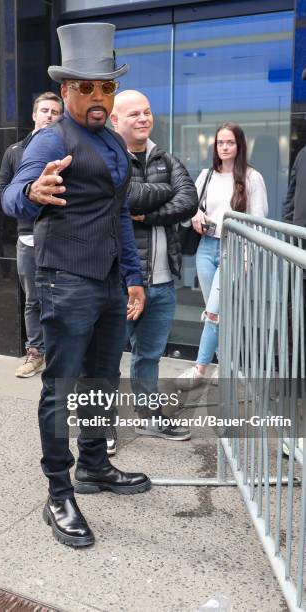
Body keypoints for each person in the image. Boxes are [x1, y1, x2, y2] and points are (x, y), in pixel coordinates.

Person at [2, 22, 150, 548]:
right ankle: (59, 492)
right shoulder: (50, 139)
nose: (97, 97)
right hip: (66, 281)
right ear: (65, 91)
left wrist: (133, 278)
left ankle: (94, 465)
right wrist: (34, 193)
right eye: (85, 87)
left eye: (104, 87)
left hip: (110, 282)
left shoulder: (112, 142)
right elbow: (13, 198)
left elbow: (119, 217)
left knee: (102, 380)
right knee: (62, 388)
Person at [110, 90, 198, 444]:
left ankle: (149, 415)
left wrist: (146, 213)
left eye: (147, 112)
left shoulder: (166, 158)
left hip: (162, 282)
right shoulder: (109, 161)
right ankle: (100, 427)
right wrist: (162, 194)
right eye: (134, 114)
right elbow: (126, 196)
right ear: (115, 120)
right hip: (120, 282)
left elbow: (188, 200)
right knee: (106, 358)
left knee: (149, 356)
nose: (144, 118)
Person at [176, 122, 268, 388]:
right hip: (206, 247)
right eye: (220, 143)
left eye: (230, 143)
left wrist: (248, 256)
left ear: (239, 146)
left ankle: (200, 369)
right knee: (215, 311)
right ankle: (226, 365)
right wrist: (195, 215)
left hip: (235, 249)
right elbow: (189, 205)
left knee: (214, 312)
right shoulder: (206, 175)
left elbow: (258, 221)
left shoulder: (252, 178)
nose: (224, 147)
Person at [0, 92, 63, 377]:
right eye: (44, 110)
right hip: (27, 237)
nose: (49, 115)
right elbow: (2, 191)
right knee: (33, 299)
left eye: (55, 112)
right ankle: (35, 352)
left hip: (62, 237)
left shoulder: (67, 149)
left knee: (65, 298)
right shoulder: (15, 152)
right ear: (34, 115)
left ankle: (63, 355)